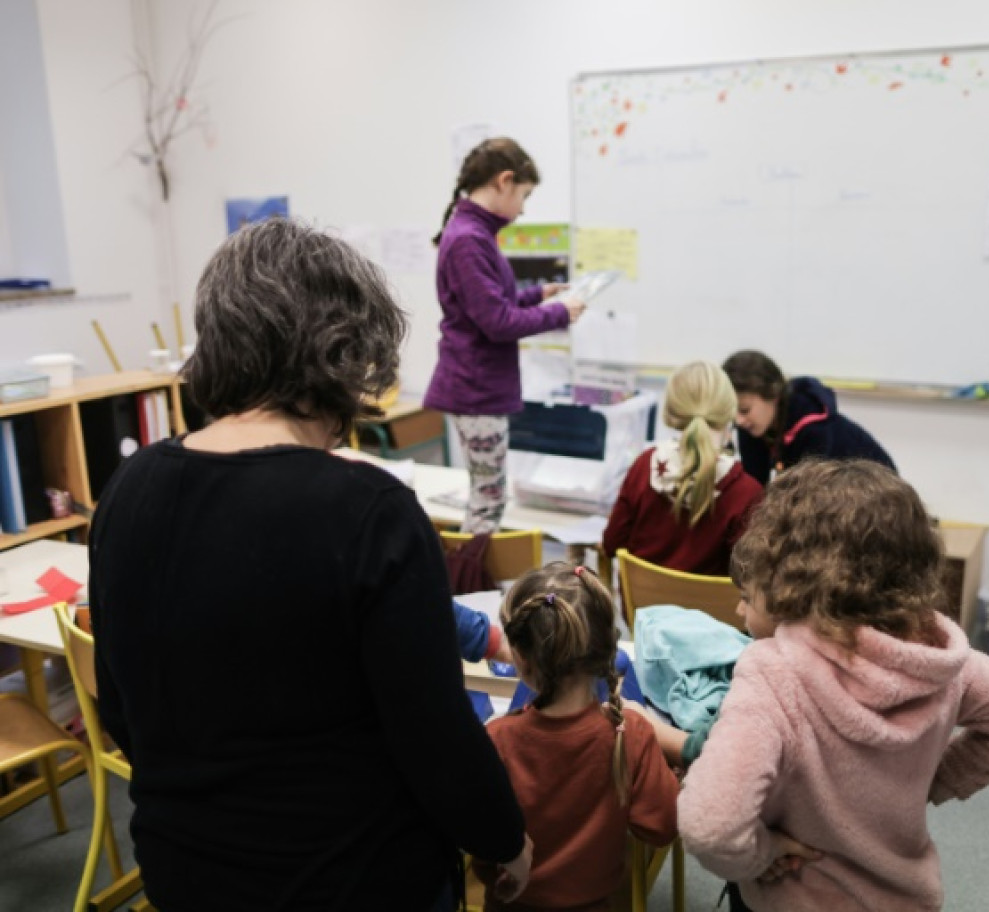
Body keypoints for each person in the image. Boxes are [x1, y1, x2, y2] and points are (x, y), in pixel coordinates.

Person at [88, 218, 532, 912]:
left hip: (186, 872)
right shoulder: (368, 511)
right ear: (344, 352)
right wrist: (506, 840)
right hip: (356, 879)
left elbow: (119, 707)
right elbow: (436, 738)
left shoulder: (128, 491)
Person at [677, 460, 989, 911]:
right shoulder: (937, 661)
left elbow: (710, 826)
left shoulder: (773, 672)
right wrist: (931, 783)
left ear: (790, 570)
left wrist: (759, 856)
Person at [478, 563, 678, 912]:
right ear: (606, 653)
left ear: (520, 661)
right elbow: (662, 827)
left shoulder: (498, 739)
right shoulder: (629, 732)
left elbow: (479, 840)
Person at [425, 137, 587, 533]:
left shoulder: (473, 233)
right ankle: (467, 590)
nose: (523, 209)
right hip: (476, 389)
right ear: (504, 181)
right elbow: (497, 322)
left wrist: (539, 296)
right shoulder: (468, 238)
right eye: (524, 196)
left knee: (488, 498)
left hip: (479, 386)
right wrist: (558, 313)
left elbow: (490, 303)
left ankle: (471, 586)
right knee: (488, 503)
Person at [601, 361, 764, 577]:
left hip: (641, 610)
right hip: (711, 611)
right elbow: (749, 575)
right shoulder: (746, 492)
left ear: (671, 410)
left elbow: (612, 544)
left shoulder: (644, 466)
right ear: (728, 412)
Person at [721, 350, 895, 486]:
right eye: (732, 410)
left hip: (875, 499)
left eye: (745, 410)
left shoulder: (814, 428)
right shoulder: (752, 426)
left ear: (773, 394)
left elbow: (805, 504)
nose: (738, 420)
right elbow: (755, 488)